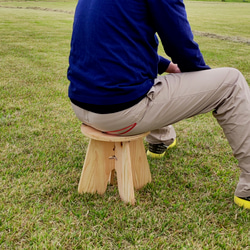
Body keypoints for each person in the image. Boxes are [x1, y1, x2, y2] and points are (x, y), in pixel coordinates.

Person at [67, 0, 250, 209]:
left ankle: (160, 140)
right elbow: (180, 43)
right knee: (232, 83)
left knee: (145, 78)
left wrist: (167, 66)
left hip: (81, 105)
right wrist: (204, 79)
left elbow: (120, 39)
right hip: (120, 112)